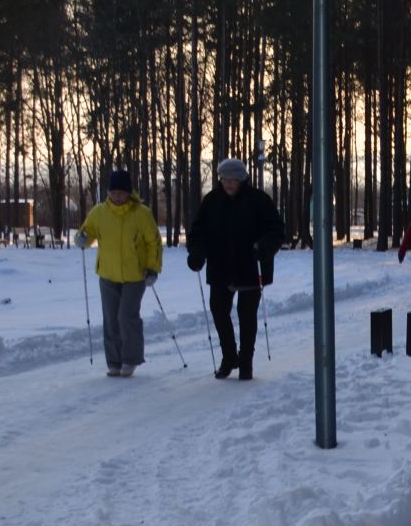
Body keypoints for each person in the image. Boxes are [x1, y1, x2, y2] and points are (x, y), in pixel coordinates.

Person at [186, 158, 284, 380]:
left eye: (233, 179)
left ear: (242, 179)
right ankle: (229, 356)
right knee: (219, 311)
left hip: (250, 266)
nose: (229, 184)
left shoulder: (259, 200)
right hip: (220, 266)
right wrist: (197, 253)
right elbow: (198, 232)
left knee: (246, 314)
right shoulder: (211, 201)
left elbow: (276, 230)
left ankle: (246, 360)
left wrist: (263, 247)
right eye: (224, 179)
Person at [77, 170, 163, 378]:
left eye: (121, 193)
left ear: (129, 193)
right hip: (107, 273)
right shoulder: (99, 212)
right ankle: (114, 361)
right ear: (108, 193)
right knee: (111, 319)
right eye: (114, 192)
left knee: (126, 316)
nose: (117, 197)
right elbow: (87, 232)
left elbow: (154, 243)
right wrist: (83, 238)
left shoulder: (141, 214)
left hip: (135, 275)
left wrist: (153, 268)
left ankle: (131, 358)